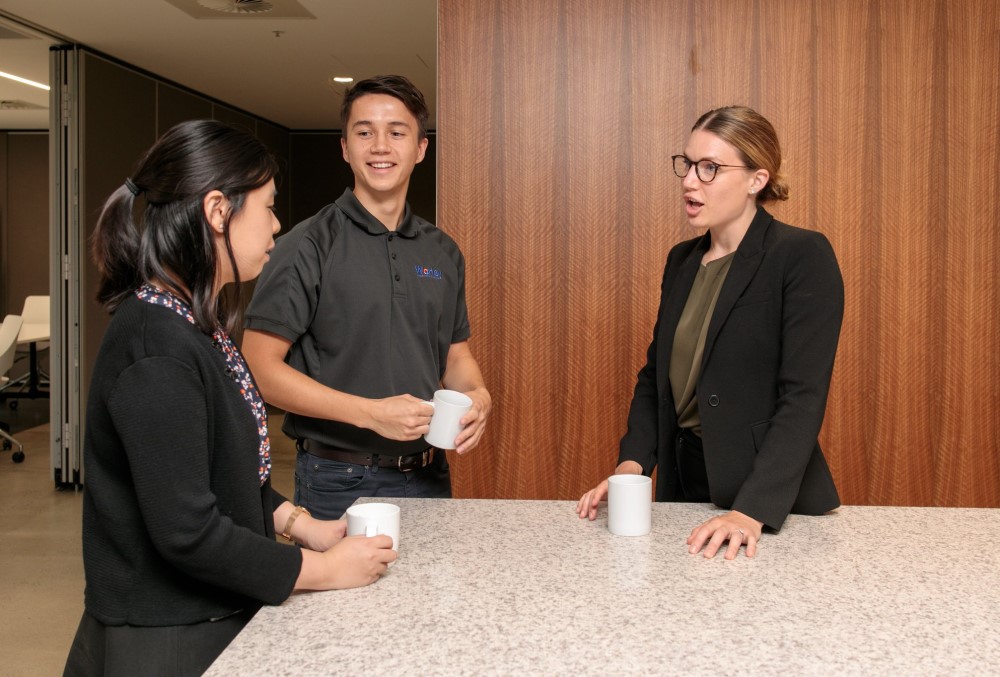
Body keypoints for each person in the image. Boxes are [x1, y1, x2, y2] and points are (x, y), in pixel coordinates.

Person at [64, 120, 396, 677]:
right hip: (165, 637)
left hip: (208, 616)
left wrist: (302, 525)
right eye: (268, 207)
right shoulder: (156, 348)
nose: (277, 224)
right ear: (218, 211)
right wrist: (322, 570)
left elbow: (218, 471)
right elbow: (189, 533)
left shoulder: (192, 323)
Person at [576, 106, 843, 559]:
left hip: (765, 504)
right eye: (687, 164)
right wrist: (630, 470)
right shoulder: (682, 260)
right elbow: (655, 377)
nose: (689, 181)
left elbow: (803, 397)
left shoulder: (801, 255)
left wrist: (750, 511)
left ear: (757, 180)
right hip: (683, 489)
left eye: (710, 168)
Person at [241, 75, 491, 520]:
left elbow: (456, 355)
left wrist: (478, 394)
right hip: (337, 480)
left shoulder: (443, 252)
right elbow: (259, 368)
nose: (380, 146)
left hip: (431, 475)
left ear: (420, 148)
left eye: (396, 132)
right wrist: (369, 414)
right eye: (364, 132)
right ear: (345, 147)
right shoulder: (308, 245)